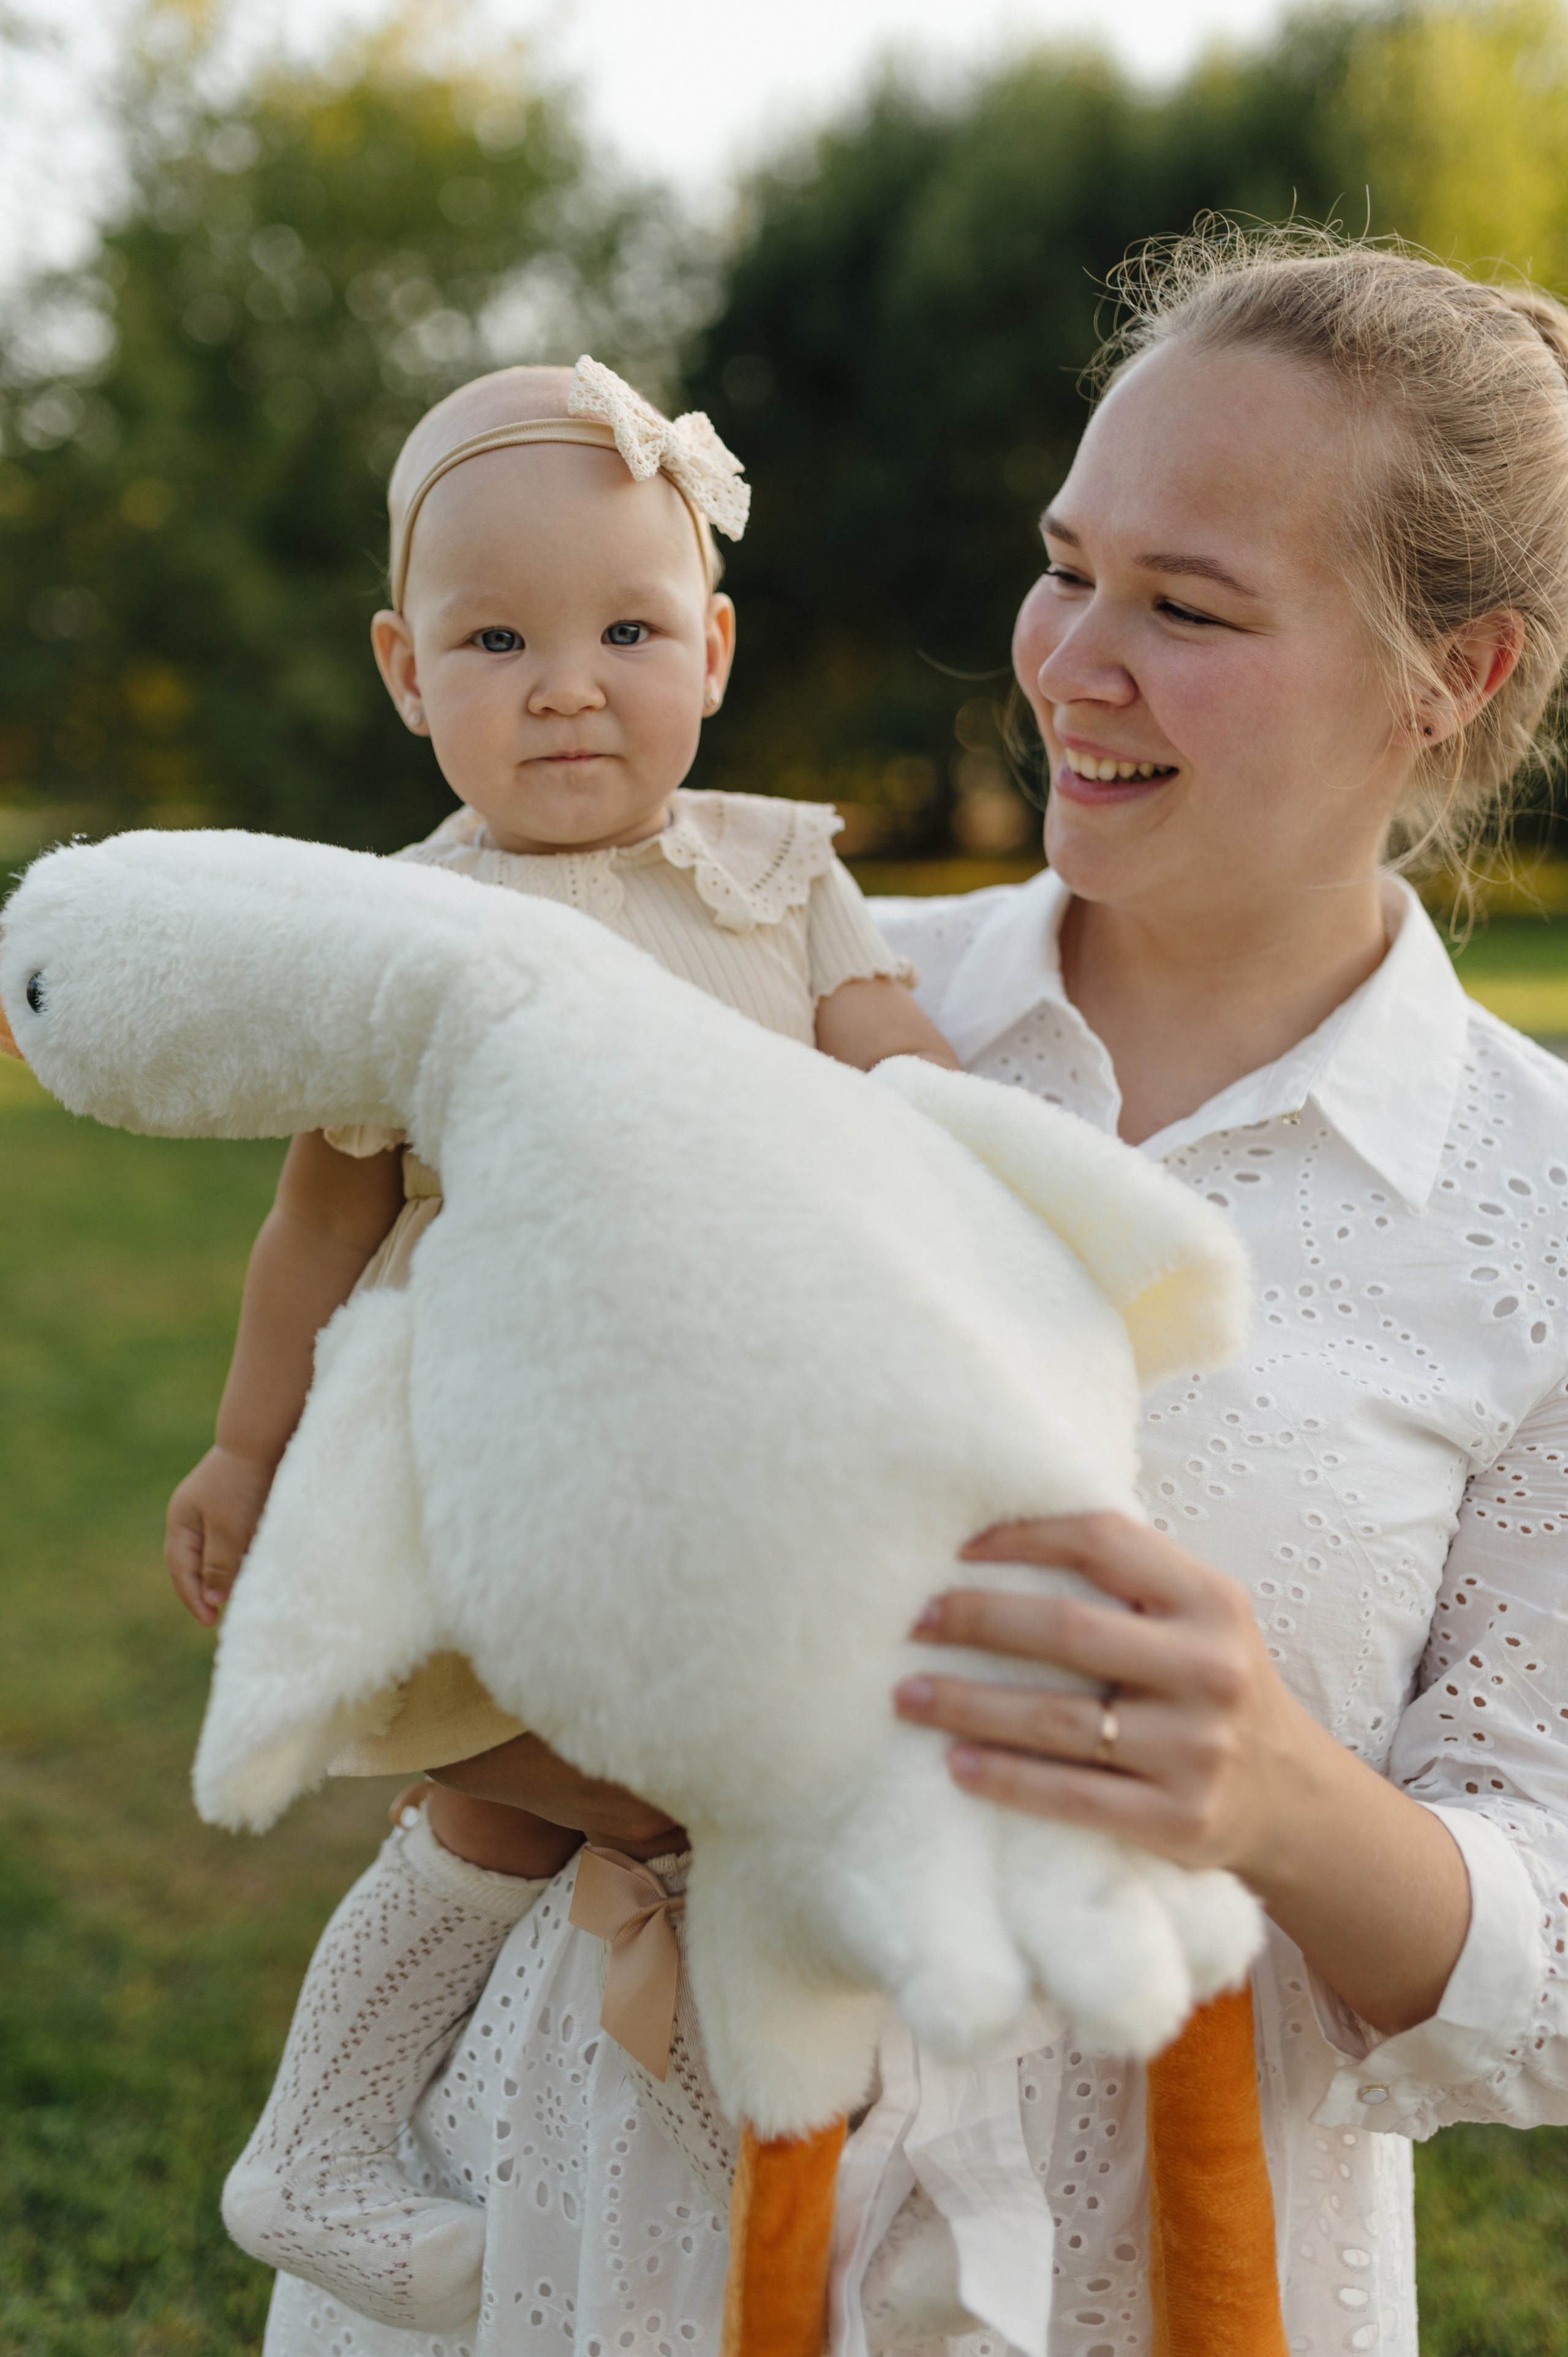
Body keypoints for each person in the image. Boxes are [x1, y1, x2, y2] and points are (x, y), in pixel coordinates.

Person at [260, 229, 1568, 2357]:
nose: (1070, 660)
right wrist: (625, 1737)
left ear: (1459, 676)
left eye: (1192, 607)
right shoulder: (778, 981)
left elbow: (1554, 1976)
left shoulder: (1542, 1205)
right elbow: (400, 1443)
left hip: (1158, 2267)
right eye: (1069, 565)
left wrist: (1276, 1791)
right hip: (611, 2213)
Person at [163, 354, 957, 2334]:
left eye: (624, 627)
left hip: (733, 1438)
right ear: (404, 671)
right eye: (495, 638)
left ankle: (717, 2193)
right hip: (498, 1444)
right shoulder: (407, 930)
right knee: (501, 1796)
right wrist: (251, 1455)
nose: (567, 682)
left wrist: (1018, 1179)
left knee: (758, 1779)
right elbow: (317, 1222)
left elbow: (906, 1080)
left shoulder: (777, 876)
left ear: (715, 640)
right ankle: (323, 2139)